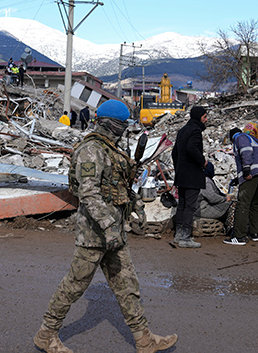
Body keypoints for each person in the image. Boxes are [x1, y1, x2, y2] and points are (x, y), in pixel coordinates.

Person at [34, 100, 177, 353]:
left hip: (114, 234)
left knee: (127, 284)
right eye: (122, 125)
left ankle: (144, 339)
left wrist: (136, 206)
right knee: (74, 285)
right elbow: (88, 193)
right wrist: (109, 225)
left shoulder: (111, 150)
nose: (124, 130)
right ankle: (46, 334)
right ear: (111, 124)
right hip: (94, 235)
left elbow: (117, 187)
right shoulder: (91, 150)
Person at [171, 105, 211, 249]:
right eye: (204, 117)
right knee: (190, 206)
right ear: (198, 116)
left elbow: (174, 152)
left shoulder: (183, 130)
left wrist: (178, 167)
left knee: (182, 204)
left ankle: (178, 235)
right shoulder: (195, 131)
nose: (206, 120)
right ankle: (185, 238)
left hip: (181, 174)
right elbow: (192, 148)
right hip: (192, 174)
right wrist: (203, 162)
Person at [224, 127, 258, 246]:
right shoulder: (253, 140)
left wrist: (245, 171)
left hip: (251, 174)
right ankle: (254, 233)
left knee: (243, 203)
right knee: (256, 203)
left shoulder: (240, 138)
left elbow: (246, 151)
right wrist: (238, 179)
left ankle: (239, 236)